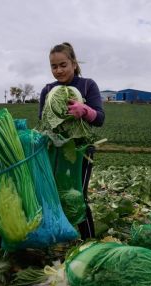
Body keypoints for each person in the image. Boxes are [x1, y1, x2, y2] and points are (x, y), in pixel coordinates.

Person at [39, 42, 105, 239]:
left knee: (78, 195)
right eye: (54, 66)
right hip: (56, 151)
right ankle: (58, 238)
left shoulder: (87, 85)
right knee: (55, 195)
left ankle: (88, 240)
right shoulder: (48, 90)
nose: (58, 70)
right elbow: (43, 123)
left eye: (63, 65)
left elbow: (100, 118)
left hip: (81, 150)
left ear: (74, 63)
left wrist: (85, 111)